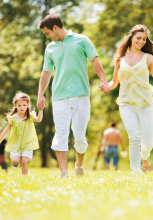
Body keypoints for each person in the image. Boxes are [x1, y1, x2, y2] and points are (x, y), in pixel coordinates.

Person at [38, 14, 110, 178]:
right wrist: (40, 94)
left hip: (81, 95)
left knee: (79, 136)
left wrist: (104, 81)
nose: (48, 37)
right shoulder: (50, 48)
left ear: (55, 28)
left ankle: (79, 165)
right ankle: (64, 172)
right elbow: (46, 72)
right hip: (59, 97)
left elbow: (95, 61)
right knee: (61, 133)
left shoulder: (82, 40)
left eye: (47, 33)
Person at [108, 25, 153, 174]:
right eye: (138, 38)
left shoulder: (149, 58)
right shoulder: (120, 59)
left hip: (145, 105)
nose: (141, 41)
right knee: (134, 137)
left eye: (144, 39)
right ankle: (136, 171)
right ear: (131, 37)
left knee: (147, 144)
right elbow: (114, 81)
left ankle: (145, 157)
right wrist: (106, 86)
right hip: (126, 104)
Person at [0, 92, 43, 175]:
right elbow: (6, 131)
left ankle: (24, 177)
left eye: (24, 105)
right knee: (15, 160)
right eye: (19, 105)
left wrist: (40, 110)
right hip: (15, 143)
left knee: (24, 161)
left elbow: (39, 119)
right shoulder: (12, 118)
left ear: (27, 105)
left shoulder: (29, 116)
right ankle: (15, 163)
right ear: (15, 105)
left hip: (27, 143)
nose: (22, 107)